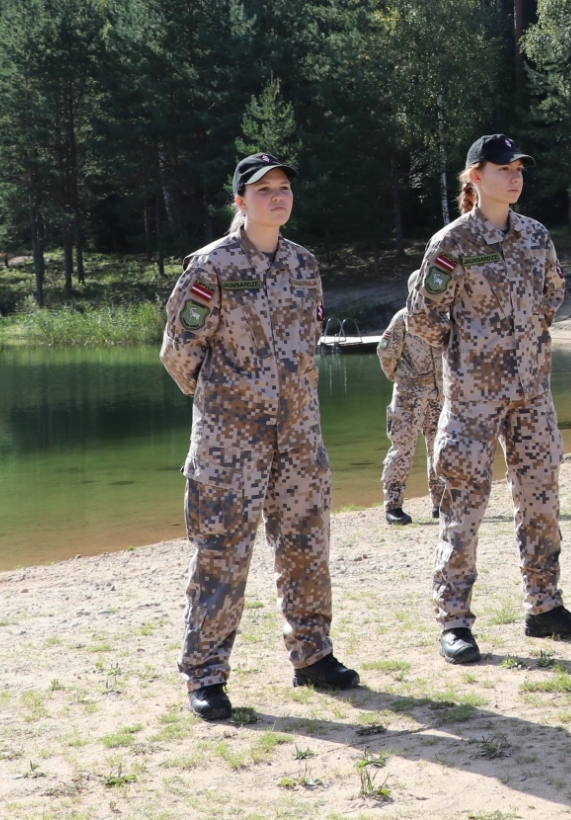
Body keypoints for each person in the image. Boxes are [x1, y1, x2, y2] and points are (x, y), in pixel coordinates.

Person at [161, 153, 360, 722]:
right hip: (230, 445)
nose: (278, 196)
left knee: (306, 548)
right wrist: (230, 404)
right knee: (221, 557)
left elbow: (309, 340)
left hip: (298, 436)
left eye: (284, 187)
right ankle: (206, 675)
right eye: (264, 189)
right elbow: (179, 354)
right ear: (240, 202)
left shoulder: (304, 264)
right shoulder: (211, 266)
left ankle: (312, 655)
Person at [407, 134, 571, 665]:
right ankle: (456, 621)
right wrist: (472, 355)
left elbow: (551, 295)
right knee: (464, 509)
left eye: (519, 169)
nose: (515, 177)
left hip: (532, 393)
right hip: (473, 401)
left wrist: (522, 346)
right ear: (474, 177)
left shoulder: (535, 235)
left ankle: (544, 606)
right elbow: (423, 319)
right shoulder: (452, 244)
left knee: (541, 503)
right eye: (503, 168)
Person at [377, 270, 445, 525]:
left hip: (438, 396)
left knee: (439, 448)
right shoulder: (403, 320)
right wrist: (399, 378)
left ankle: (441, 503)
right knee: (402, 450)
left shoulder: (443, 319)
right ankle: (393, 506)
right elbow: (385, 353)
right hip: (408, 396)